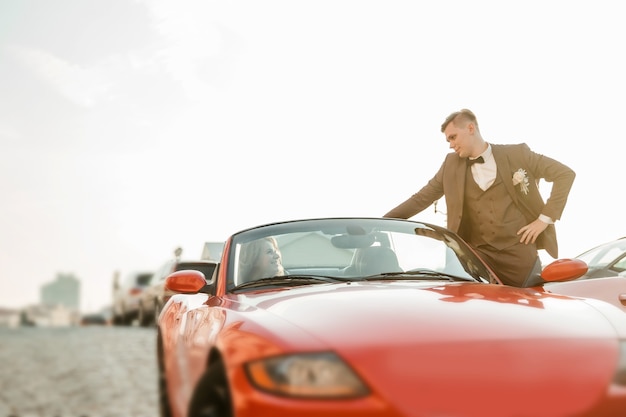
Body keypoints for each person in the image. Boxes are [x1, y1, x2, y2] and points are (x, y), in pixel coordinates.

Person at [384, 109, 575, 287]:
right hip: (476, 260)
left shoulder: (517, 154)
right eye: (448, 140)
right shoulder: (450, 166)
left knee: (529, 315)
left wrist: (544, 219)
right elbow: (420, 199)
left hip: (520, 258)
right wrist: (382, 224)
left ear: (470, 128)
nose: (451, 145)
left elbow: (565, 174)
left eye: (453, 137)